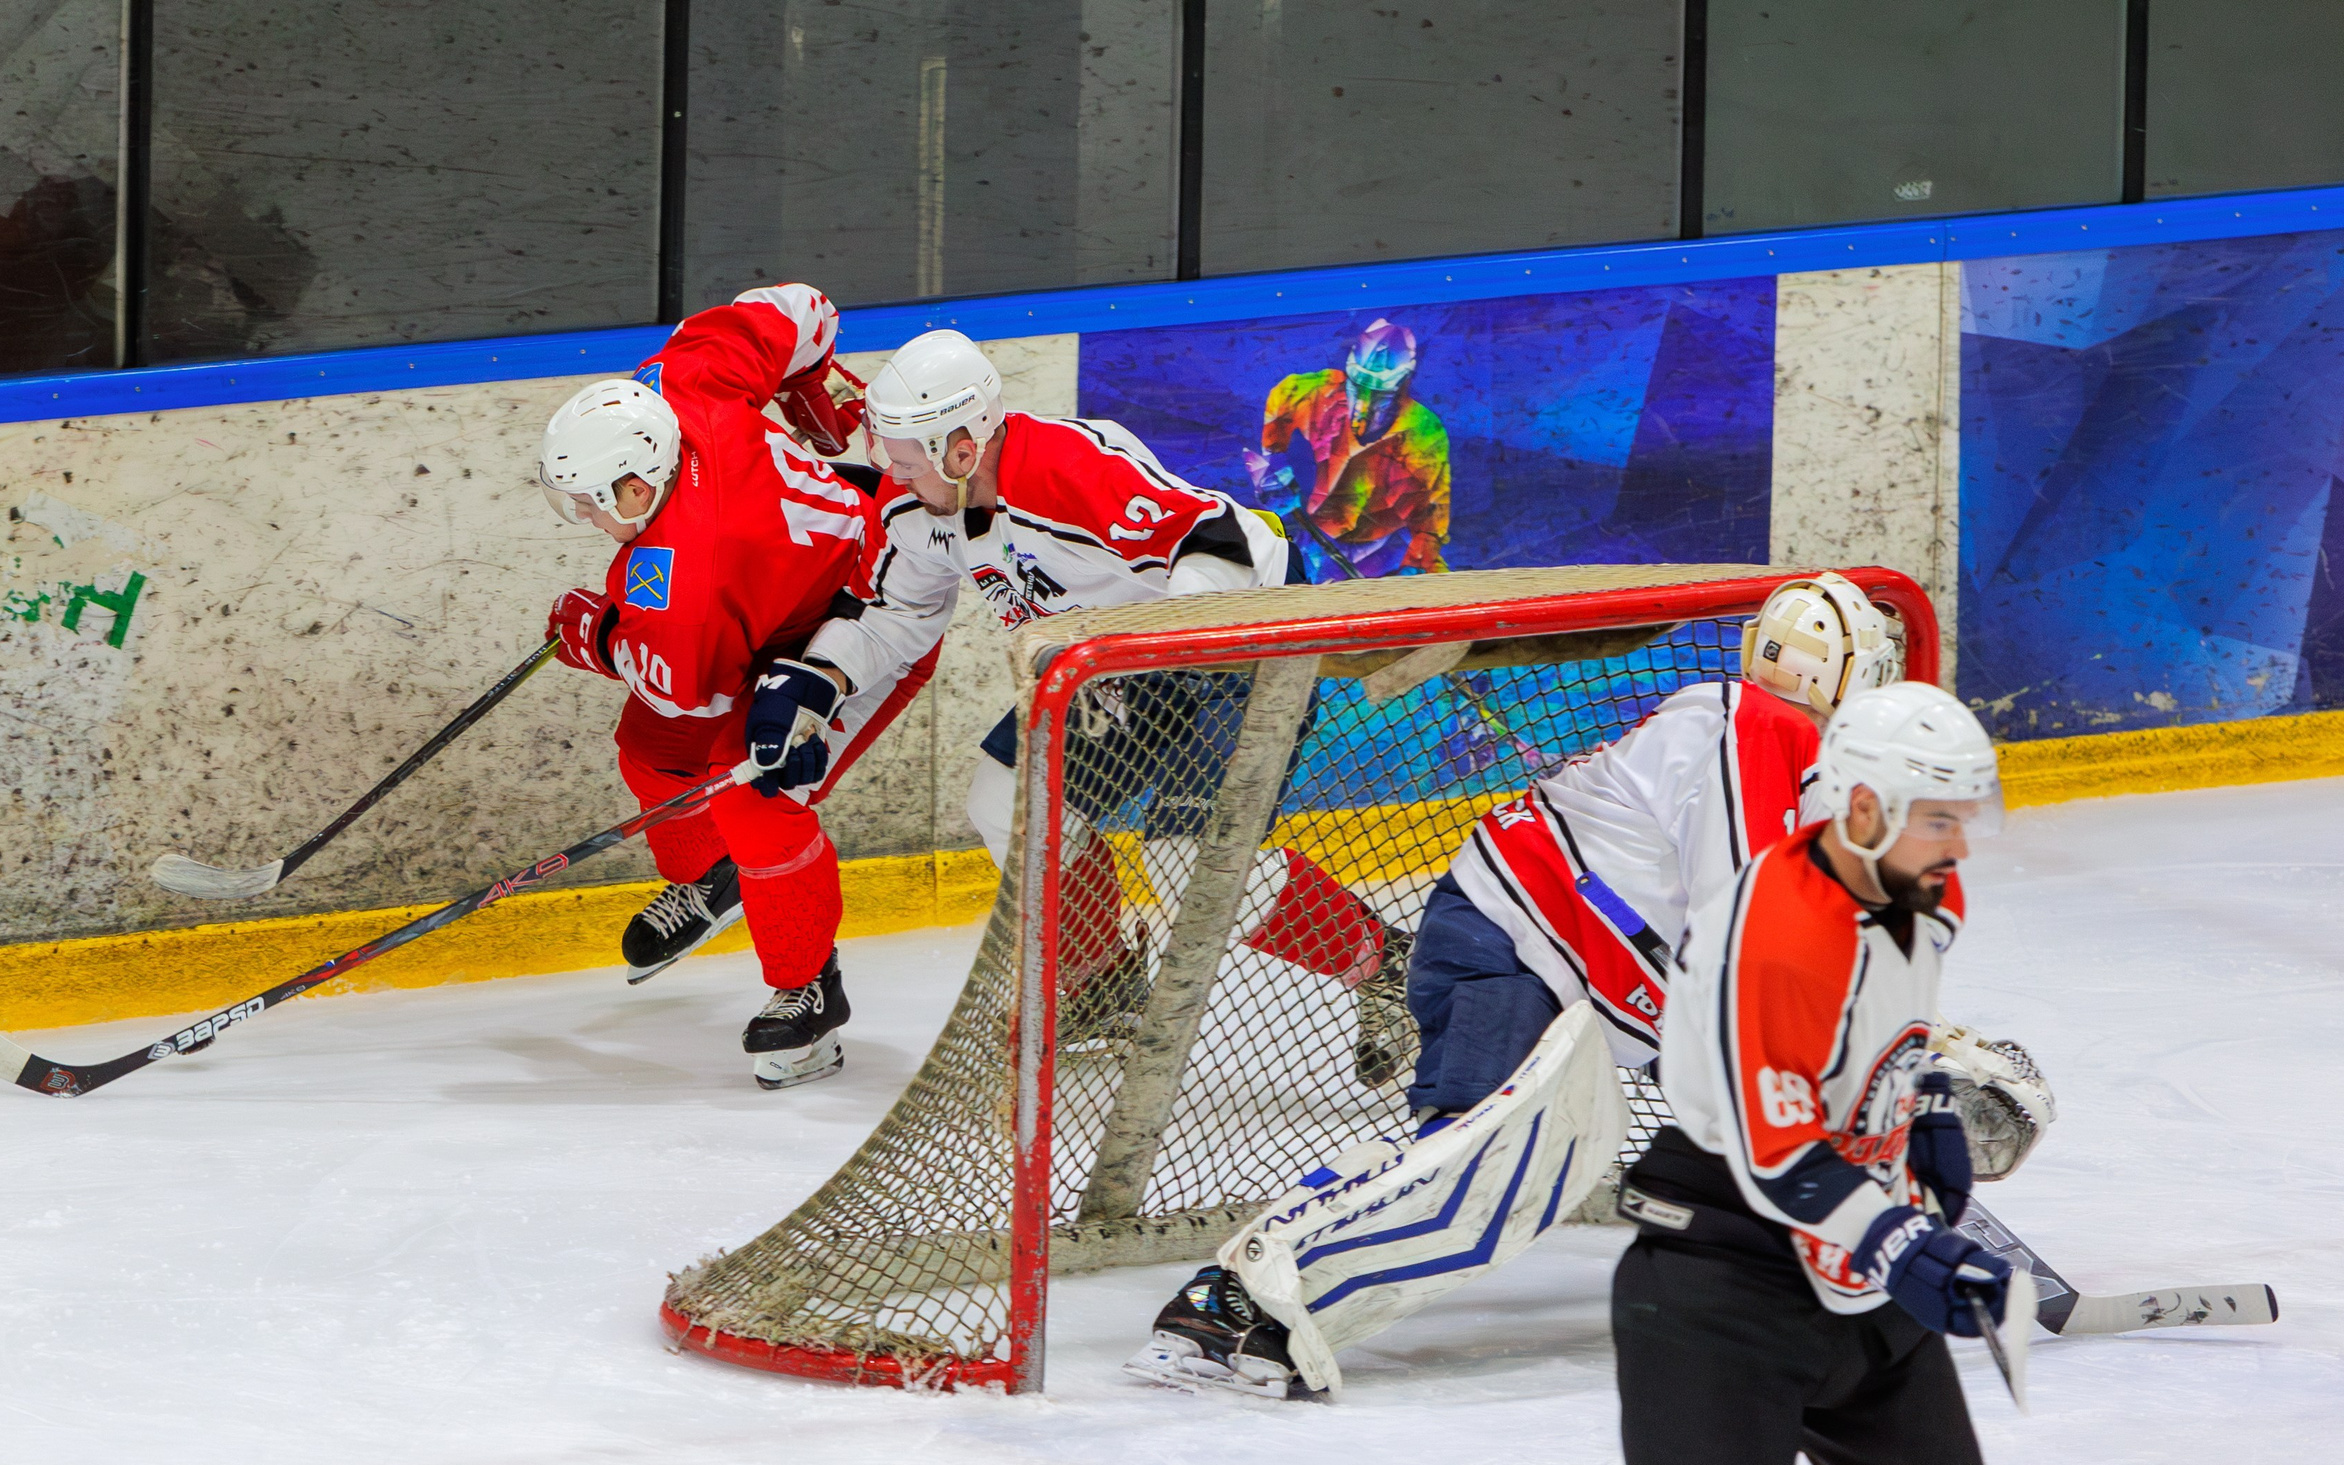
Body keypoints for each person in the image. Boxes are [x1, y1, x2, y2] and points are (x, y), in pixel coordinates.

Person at [1123, 574, 1921, 1396]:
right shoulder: (1755, 723)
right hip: (1516, 941)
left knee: (1486, 1165)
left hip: (1550, 957)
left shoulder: (1770, 745)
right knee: (1471, 1156)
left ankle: (1822, 1262)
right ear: (1842, 672)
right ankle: (1239, 1294)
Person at [765, 328, 1412, 1069]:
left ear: (961, 448)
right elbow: (894, 614)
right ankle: (1104, 980)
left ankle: (1390, 963)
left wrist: (1163, 647)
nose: (890, 472)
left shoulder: (1067, 465)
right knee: (1005, 800)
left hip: (1235, 631)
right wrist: (817, 681)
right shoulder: (916, 512)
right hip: (1118, 660)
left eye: (906, 458)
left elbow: (1215, 537)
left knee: (1186, 864)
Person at [1577, 680, 2017, 1465]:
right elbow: (1776, 1157)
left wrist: (1932, 1105)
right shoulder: (1772, 933)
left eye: (1966, 816)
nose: (1959, 844)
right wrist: (1904, 1241)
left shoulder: (1925, 892)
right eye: (1937, 817)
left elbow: (1893, 1021)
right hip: (1718, 1269)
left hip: (1853, 1248)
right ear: (1859, 810)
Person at [537, 282, 928, 1090]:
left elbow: (693, 692)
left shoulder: (685, 582)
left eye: (589, 505)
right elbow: (805, 307)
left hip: (863, 615)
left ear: (637, 488)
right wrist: (813, 391)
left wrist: (597, 635)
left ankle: (809, 990)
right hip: (771, 601)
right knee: (649, 747)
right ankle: (715, 880)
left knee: (751, 789)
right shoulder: (686, 381)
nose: (585, 518)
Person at [1249, 317, 1451, 578]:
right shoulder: (1316, 392)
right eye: (1357, 388)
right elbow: (1282, 398)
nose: (1363, 407)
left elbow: (1431, 518)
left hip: (1383, 551)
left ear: (1402, 385)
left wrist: (1416, 564)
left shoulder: (1423, 432)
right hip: (1313, 538)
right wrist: (1275, 458)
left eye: (1380, 396)